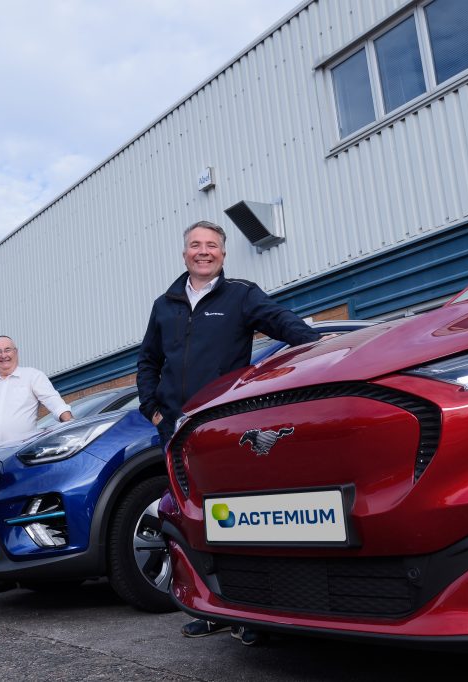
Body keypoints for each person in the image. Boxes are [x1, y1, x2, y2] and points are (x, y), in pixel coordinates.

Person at [136, 220, 321, 646]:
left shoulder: (240, 295)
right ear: (184, 254)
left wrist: (320, 348)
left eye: (212, 245)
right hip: (176, 430)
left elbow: (283, 322)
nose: (204, 252)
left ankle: (255, 612)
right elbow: (147, 360)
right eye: (196, 245)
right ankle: (210, 607)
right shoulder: (164, 304)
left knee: (238, 519)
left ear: (223, 253)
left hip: (222, 427)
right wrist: (154, 410)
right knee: (192, 519)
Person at [0, 336, 73, 456]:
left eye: (7, 350)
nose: (3, 355)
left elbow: (53, 401)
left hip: (19, 451)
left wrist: (71, 423)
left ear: (16, 352)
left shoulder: (32, 376)